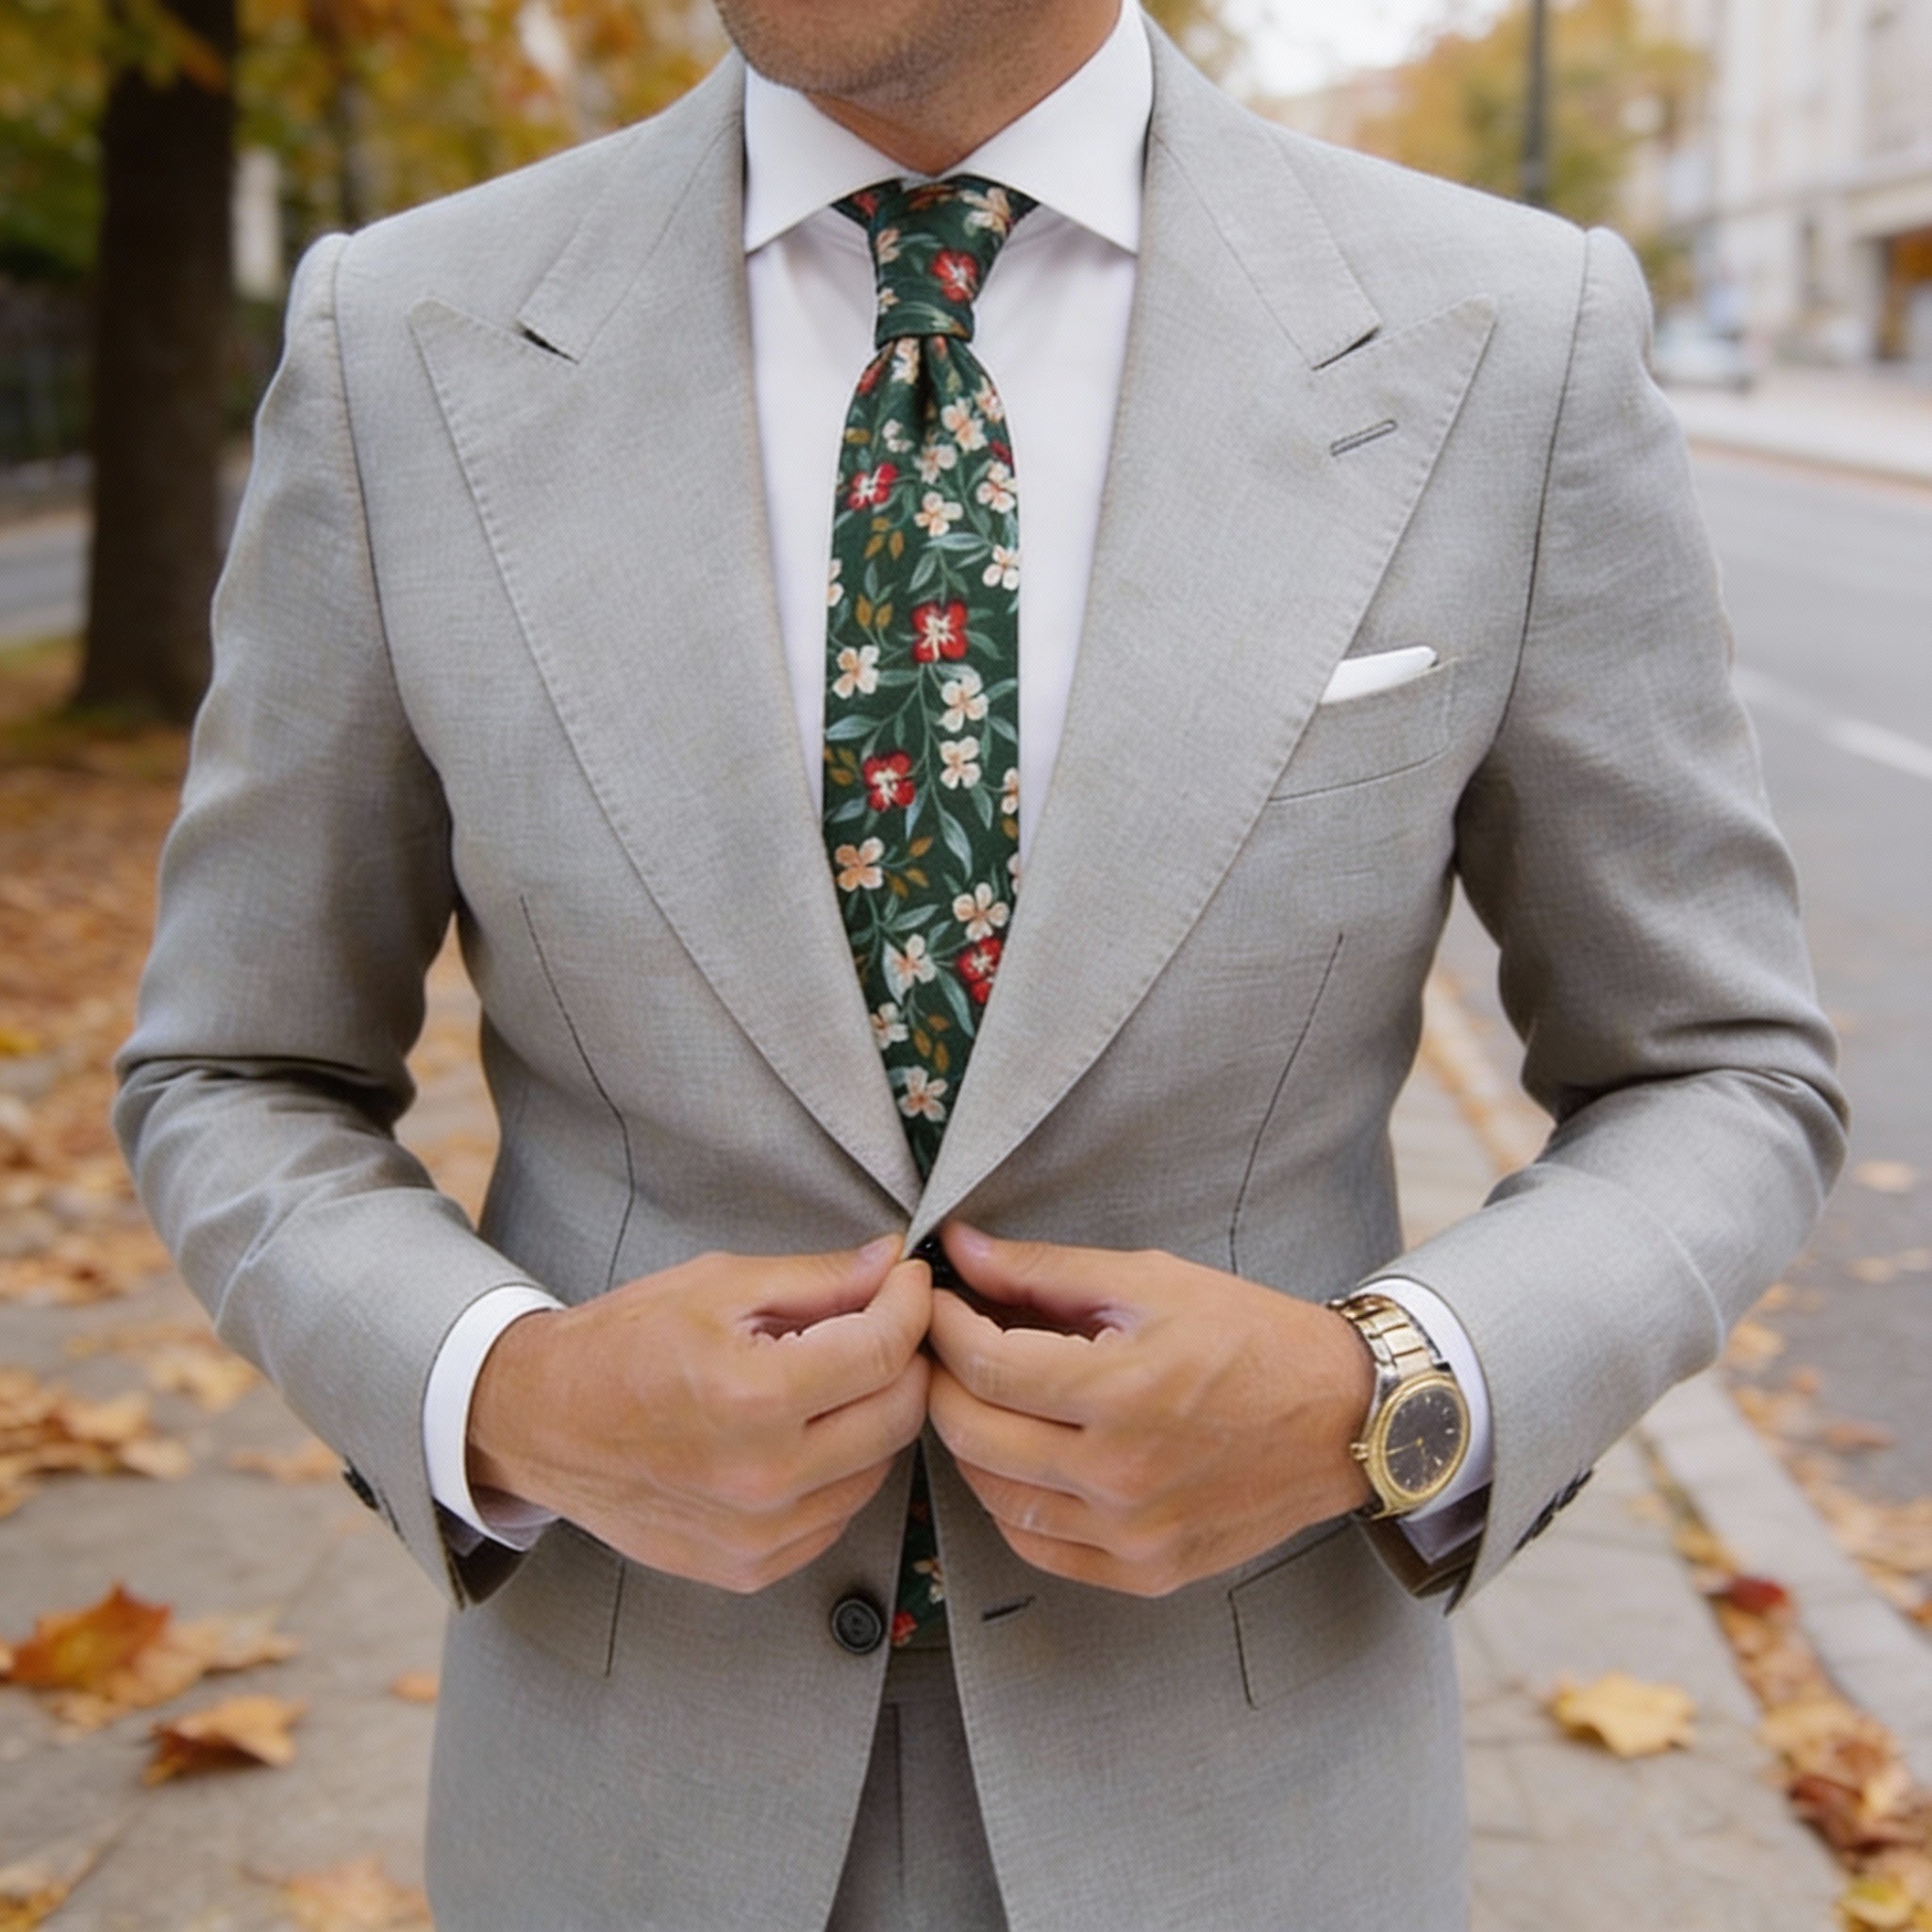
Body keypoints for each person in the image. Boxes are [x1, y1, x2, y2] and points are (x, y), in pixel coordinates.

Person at [116, 2, 1846, 1925]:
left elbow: (1718, 1068)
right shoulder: (404, 343)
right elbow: (235, 1066)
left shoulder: (1506, 339)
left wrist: (1387, 1396)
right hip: (624, 1811)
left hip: (1248, 1808)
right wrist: (502, 1393)